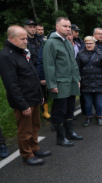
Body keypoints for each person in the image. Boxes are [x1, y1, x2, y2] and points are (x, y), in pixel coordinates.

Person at [0, 25, 51, 165]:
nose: (26, 41)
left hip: (34, 97)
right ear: (11, 39)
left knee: (35, 126)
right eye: (22, 39)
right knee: (25, 130)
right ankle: (27, 155)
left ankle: (35, 148)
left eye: (26, 38)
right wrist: (22, 104)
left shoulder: (22, 52)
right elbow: (11, 84)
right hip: (24, 101)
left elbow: (32, 75)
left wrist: (41, 95)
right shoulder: (6, 56)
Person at [43, 17, 83, 147]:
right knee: (60, 110)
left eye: (69, 26)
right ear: (57, 27)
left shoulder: (67, 42)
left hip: (71, 82)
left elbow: (73, 64)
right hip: (60, 84)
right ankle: (61, 138)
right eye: (65, 26)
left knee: (70, 109)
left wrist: (77, 79)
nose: (68, 28)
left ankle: (70, 132)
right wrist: (52, 84)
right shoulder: (51, 43)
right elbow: (49, 66)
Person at [76, 36, 102, 126]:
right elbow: (76, 69)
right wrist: (78, 80)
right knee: (87, 103)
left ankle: (99, 117)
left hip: (99, 82)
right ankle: (88, 118)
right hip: (85, 82)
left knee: (99, 102)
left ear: (94, 44)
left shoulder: (100, 54)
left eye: (90, 43)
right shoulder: (80, 54)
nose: (89, 45)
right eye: (87, 43)